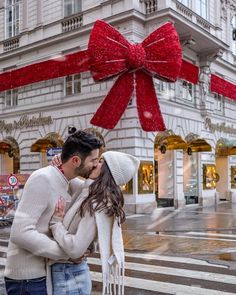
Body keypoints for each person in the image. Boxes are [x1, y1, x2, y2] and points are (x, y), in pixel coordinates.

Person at [4, 130, 102, 295]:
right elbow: (20, 232)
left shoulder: (67, 181)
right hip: (27, 279)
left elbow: (91, 191)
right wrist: (67, 254)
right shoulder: (43, 178)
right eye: (94, 160)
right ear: (76, 160)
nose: (95, 164)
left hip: (40, 275)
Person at [49, 151, 140, 295]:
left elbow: (76, 250)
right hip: (68, 273)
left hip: (69, 276)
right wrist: (62, 164)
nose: (95, 163)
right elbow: (70, 177)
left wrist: (55, 223)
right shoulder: (89, 191)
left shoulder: (98, 202)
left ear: (108, 172)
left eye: (101, 161)